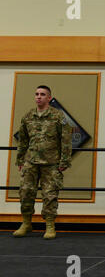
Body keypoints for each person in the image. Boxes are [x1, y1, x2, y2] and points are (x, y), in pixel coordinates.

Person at [13, 85, 72, 240]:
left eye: (42, 94)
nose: (38, 96)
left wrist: (64, 161)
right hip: (30, 162)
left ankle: (50, 225)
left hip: (51, 163)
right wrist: (20, 159)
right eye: (37, 94)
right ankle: (26, 223)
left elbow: (66, 140)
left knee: (50, 195)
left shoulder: (58, 116)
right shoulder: (28, 116)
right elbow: (23, 140)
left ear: (49, 98)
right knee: (25, 192)